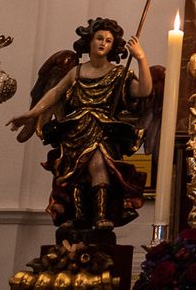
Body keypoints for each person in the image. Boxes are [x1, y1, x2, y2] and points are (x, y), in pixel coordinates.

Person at [9, 17, 153, 238]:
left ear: (114, 46)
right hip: (75, 130)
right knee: (74, 173)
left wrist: (141, 58)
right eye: (99, 38)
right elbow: (55, 93)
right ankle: (78, 216)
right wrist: (32, 114)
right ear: (89, 41)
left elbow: (143, 91)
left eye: (108, 40)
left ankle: (102, 215)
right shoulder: (75, 72)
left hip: (102, 129)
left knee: (97, 165)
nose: (103, 43)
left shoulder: (117, 74)